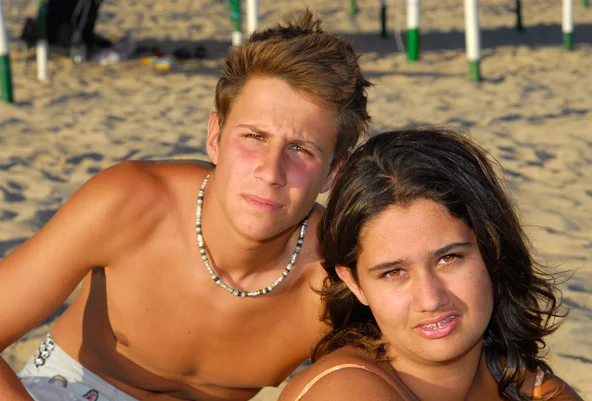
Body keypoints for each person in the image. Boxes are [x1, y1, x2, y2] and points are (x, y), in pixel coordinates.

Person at [0, 11, 372, 401]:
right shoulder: (132, 203)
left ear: (333, 173)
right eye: (254, 136)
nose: (270, 171)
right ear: (215, 136)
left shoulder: (336, 278)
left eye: (300, 149)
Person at [279, 127, 583, 401]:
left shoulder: (535, 390)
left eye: (449, 258)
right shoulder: (345, 392)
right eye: (393, 272)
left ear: (493, 252)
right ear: (355, 283)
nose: (430, 298)